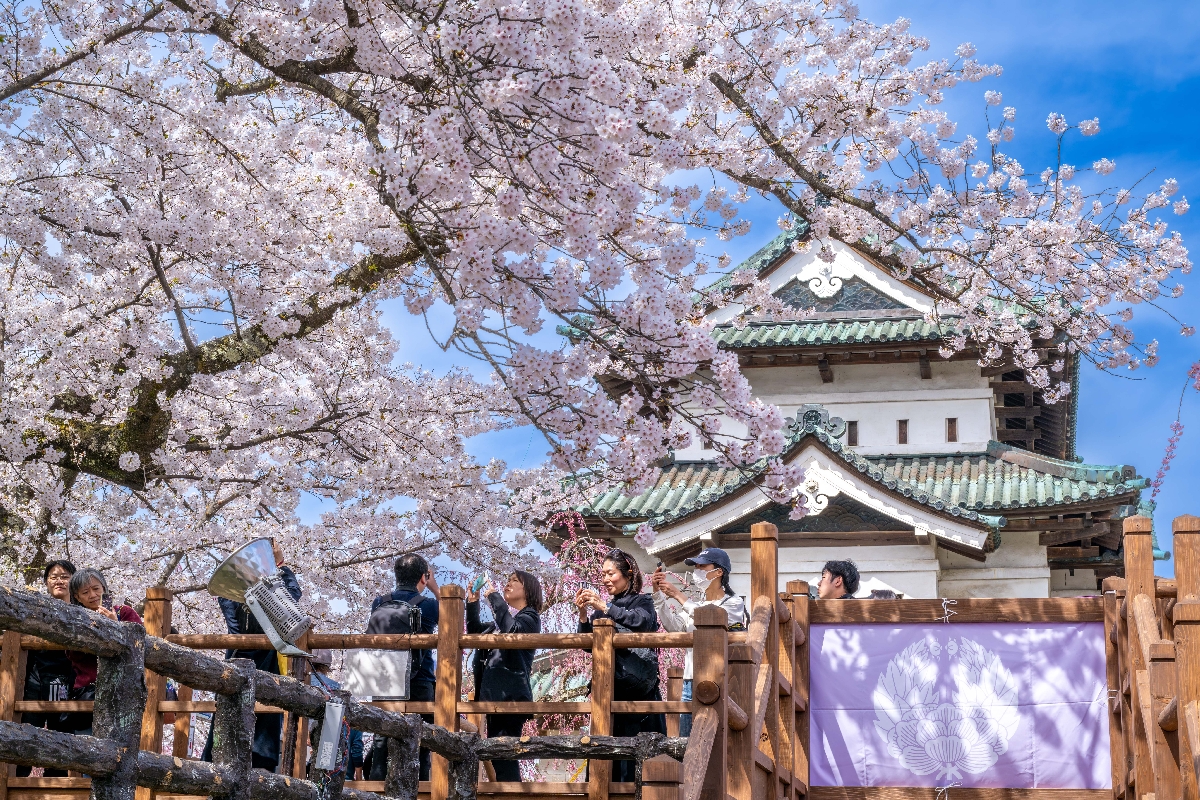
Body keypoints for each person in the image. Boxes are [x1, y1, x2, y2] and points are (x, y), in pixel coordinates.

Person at [202, 539, 301, 772]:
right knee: (263, 719)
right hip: (265, 659)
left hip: (236, 657)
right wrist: (281, 565)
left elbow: (235, 629)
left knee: (228, 719)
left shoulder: (228, 593)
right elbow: (291, 598)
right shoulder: (271, 588)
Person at [576, 549, 664, 783]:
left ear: (628, 573)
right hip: (609, 689)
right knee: (606, 754)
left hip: (639, 692)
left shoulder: (641, 600)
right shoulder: (603, 608)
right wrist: (584, 615)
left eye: (611, 573)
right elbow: (587, 646)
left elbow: (641, 621)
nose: (605, 579)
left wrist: (605, 607)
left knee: (639, 757)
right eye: (603, 574)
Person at [651, 548, 745, 737]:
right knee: (687, 740)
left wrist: (678, 595)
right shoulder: (695, 604)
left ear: (719, 572)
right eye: (696, 567)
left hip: (718, 678)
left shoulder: (734, 603)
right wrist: (658, 595)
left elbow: (711, 616)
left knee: (715, 737)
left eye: (703, 566)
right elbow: (675, 628)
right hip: (689, 680)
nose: (697, 571)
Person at [365, 553, 440, 782]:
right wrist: (437, 590)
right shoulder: (429, 605)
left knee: (382, 738)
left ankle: (378, 785)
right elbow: (456, 624)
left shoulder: (379, 602)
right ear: (423, 577)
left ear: (396, 576)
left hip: (384, 679)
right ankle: (421, 785)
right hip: (419, 679)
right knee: (421, 740)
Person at [466, 571, 543, 782]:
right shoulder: (502, 623)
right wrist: (473, 603)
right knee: (499, 755)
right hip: (495, 697)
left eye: (514, 581)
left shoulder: (530, 617)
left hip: (511, 699)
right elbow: (474, 632)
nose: (508, 584)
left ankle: (511, 796)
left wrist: (493, 596)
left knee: (505, 755)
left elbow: (512, 632)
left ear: (528, 590)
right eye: (508, 580)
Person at [65, 568, 143, 736]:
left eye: (96, 589)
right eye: (85, 592)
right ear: (77, 597)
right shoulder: (75, 618)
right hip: (88, 690)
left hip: (122, 689)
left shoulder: (125, 612)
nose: (92, 595)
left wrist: (115, 626)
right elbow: (73, 655)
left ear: (104, 588)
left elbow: (139, 646)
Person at [18, 560, 77, 776]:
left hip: (66, 677)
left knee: (60, 735)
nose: (59, 581)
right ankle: (17, 778)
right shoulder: (35, 607)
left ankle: (58, 786)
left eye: (65, 576)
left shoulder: (82, 611)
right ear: (46, 582)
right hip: (35, 675)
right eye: (54, 576)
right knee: (26, 730)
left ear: (73, 581)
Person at [308, 650, 364, 779]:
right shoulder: (335, 688)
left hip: (301, 746)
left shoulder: (299, 682)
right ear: (327, 667)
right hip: (327, 745)